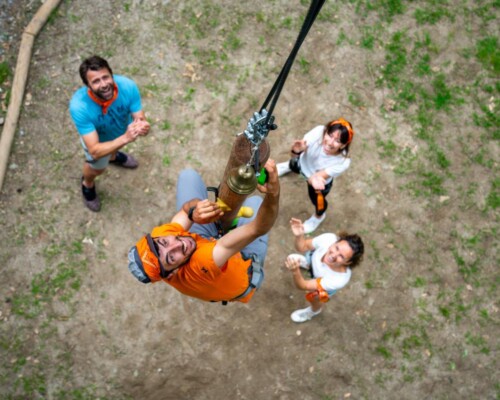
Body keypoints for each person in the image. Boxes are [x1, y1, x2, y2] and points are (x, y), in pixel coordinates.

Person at [127, 160, 280, 304]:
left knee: (188, 176)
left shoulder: (159, 240)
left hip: (205, 244)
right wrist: (273, 194)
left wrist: (194, 211)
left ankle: (217, 230)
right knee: (255, 203)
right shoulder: (201, 263)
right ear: (172, 273)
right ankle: (231, 242)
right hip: (239, 264)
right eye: (171, 257)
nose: (178, 244)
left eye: (164, 242)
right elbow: (258, 227)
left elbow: (186, 210)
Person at [69, 55, 150, 212]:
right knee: (97, 168)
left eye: (106, 77)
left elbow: (140, 118)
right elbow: (95, 150)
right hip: (99, 144)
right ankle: (87, 184)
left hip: (117, 135)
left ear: (112, 74)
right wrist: (125, 138)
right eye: (96, 81)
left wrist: (143, 128)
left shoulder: (128, 87)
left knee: (113, 150)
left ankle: (113, 156)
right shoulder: (79, 106)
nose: (104, 84)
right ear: (87, 85)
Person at [276, 118, 355, 233]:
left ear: (343, 145)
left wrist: (314, 180)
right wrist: (296, 151)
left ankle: (319, 217)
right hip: (302, 163)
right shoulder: (318, 132)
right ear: (325, 131)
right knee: (294, 164)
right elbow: (295, 154)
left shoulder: (343, 161)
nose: (330, 142)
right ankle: (288, 166)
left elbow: (315, 177)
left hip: (317, 181)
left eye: (337, 140)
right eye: (329, 135)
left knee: (318, 202)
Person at [284, 217, 364, 323]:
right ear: (335, 242)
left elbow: (303, 286)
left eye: (342, 256)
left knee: (314, 298)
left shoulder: (337, 279)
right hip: (313, 261)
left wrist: (295, 271)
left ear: (347, 262)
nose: (334, 255)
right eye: (336, 248)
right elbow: (302, 247)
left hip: (323, 285)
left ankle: (314, 311)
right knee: (309, 258)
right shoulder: (328, 239)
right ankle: (308, 265)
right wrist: (299, 236)